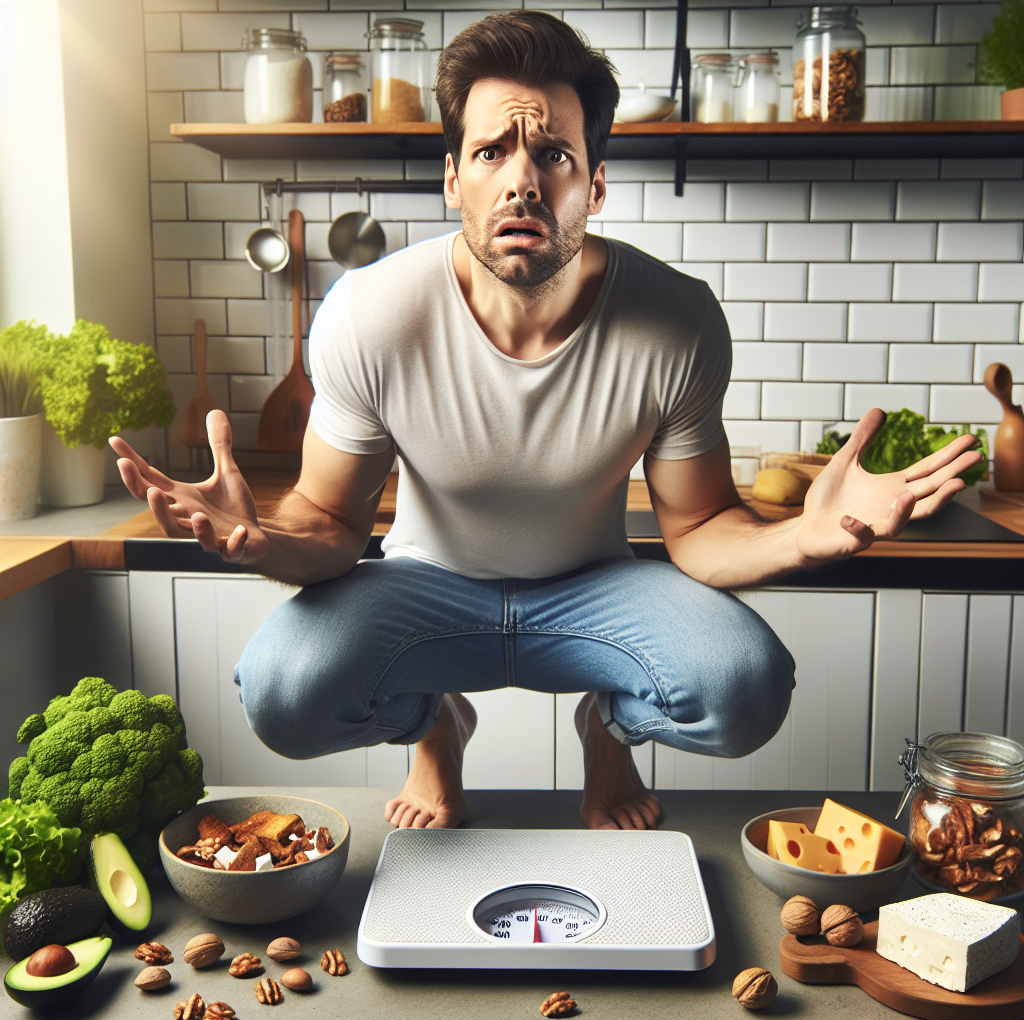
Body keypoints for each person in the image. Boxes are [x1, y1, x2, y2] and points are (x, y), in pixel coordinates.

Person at [112, 12, 980, 832]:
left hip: (596, 593)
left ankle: (609, 731)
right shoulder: (371, 312)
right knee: (281, 693)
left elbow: (702, 527)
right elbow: (333, 522)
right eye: (491, 149)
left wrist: (802, 536)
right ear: (454, 177)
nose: (523, 177)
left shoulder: (676, 319)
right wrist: (265, 540)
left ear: (593, 185)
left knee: (747, 686)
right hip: (427, 588)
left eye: (554, 153)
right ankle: (436, 728)